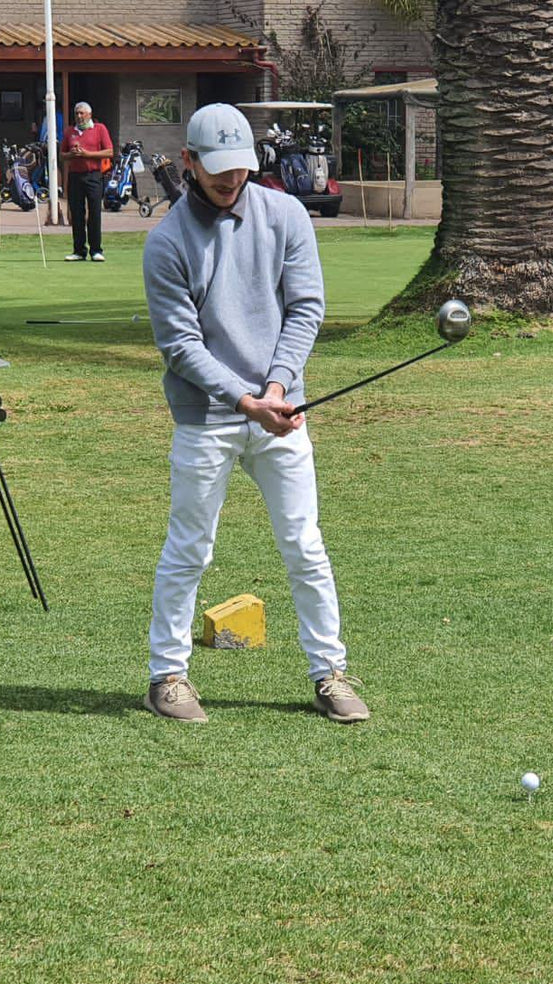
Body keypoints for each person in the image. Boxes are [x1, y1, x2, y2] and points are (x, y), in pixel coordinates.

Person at [140, 103, 369, 726]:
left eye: (239, 169)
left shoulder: (287, 215)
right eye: (216, 170)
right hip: (205, 418)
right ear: (188, 161)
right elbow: (181, 346)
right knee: (190, 549)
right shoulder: (166, 242)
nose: (229, 181)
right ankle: (168, 676)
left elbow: (305, 308)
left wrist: (275, 387)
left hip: (281, 409)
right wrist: (245, 400)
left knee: (304, 545)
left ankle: (330, 673)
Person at [61, 101, 112, 261]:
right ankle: (79, 250)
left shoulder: (99, 128)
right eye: (77, 113)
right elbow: (62, 154)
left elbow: (109, 151)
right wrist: (72, 154)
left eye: (82, 113)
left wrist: (88, 154)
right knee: (77, 213)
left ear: (89, 114)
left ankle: (96, 250)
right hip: (75, 176)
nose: (79, 116)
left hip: (93, 175)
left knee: (94, 212)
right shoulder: (70, 131)